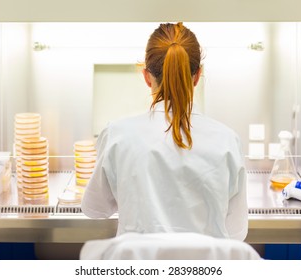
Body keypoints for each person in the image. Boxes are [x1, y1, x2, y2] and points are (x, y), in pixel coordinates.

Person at [82, 22, 248, 241]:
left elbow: (95, 208)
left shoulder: (117, 135)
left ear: (146, 76)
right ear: (197, 76)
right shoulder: (227, 141)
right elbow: (237, 231)